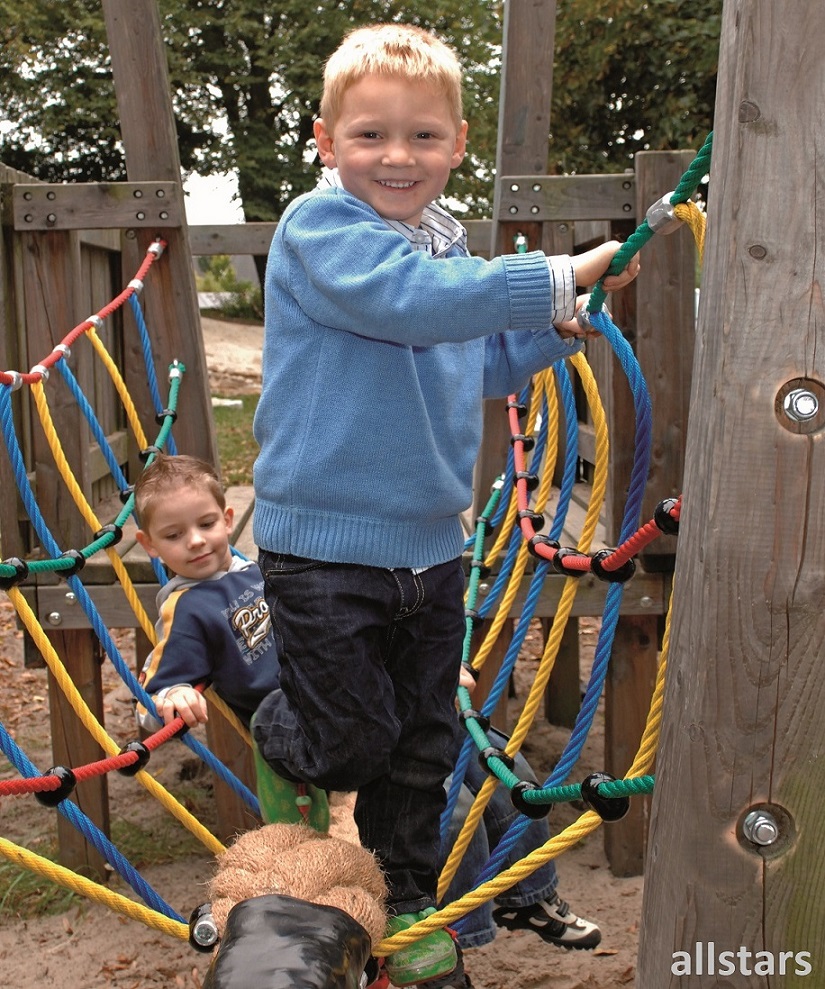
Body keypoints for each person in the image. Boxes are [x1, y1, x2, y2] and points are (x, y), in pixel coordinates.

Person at [250, 23, 639, 987]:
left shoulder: (440, 250)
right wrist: (555, 271)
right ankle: (280, 718)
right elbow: (409, 304)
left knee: (422, 743)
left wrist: (562, 322)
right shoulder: (322, 231)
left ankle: (405, 893)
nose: (396, 156)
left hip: (430, 548)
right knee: (352, 738)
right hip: (324, 547)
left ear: (457, 144)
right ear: (323, 139)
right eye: (370, 135)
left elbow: (472, 357)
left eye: (422, 136)